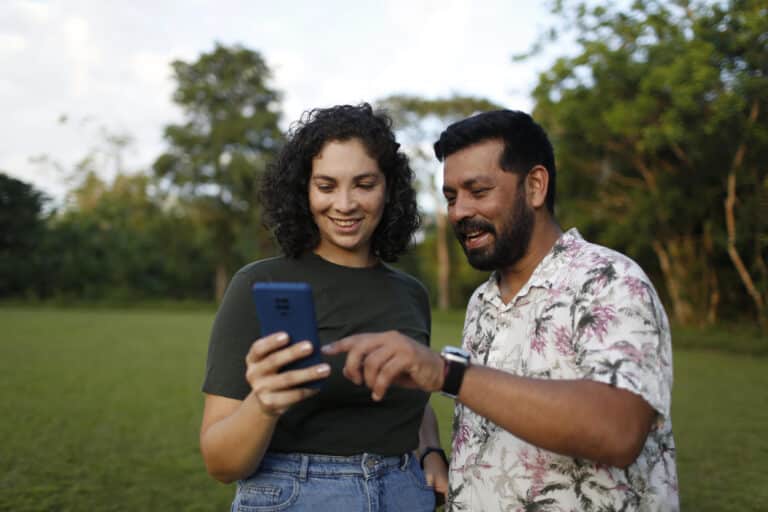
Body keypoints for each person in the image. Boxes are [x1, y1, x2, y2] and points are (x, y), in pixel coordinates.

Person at [324, 110, 679, 511]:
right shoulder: (482, 301)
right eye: (451, 197)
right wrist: (432, 453)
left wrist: (447, 373)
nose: (458, 212)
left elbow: (618, 431)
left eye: (478, 191)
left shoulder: (610, 279)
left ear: (535, 186)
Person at [200, 103, 448, 511]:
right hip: (298, 496)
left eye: (364, 184)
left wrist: (431, 451)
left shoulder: (411, 294)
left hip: (406, 494)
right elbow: (221, 463)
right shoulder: (258, 284)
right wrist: (264, 403)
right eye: (327, 186)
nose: (346, 204)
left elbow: (410, 400)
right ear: (304, 190)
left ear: (389, 188)